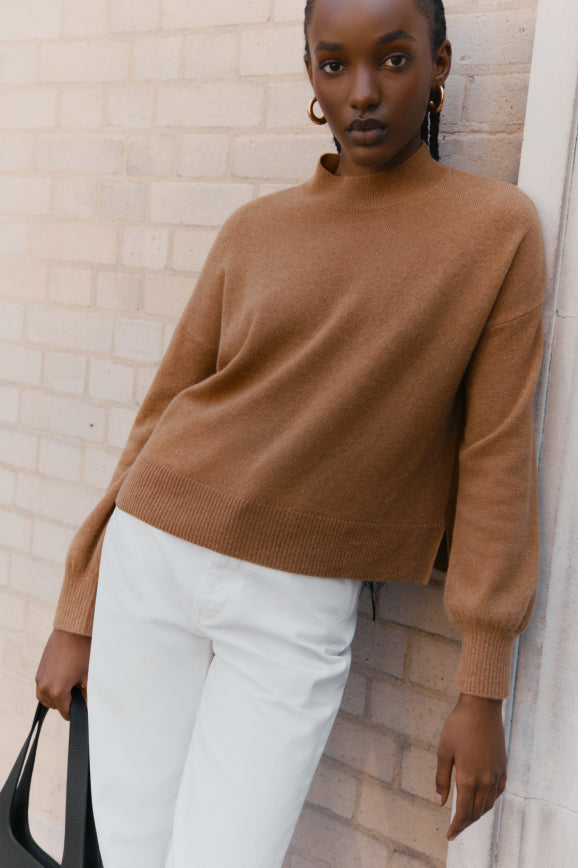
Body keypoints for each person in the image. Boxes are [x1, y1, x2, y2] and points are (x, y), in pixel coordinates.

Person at [34, 0, 546, 865]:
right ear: (310, 75)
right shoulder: (254, 230)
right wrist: (76, 609)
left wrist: (482, 685)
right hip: (152, 560)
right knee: (127, 848)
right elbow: (162, 413)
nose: (363, 93)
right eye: (333, 64)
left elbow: (495, 453)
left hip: (298, 602)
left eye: (392, 59)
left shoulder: (496, 231)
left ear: (441, 63)